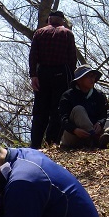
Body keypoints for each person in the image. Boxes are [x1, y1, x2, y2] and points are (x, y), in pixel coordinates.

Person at [28, 10, 77, 148]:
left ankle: (35, 144)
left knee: (40, 110)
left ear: (49, 20)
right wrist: (72, 77)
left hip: (42, 73)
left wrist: (33, 75)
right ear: (62, 21)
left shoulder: (39, 33)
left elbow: (33, 56)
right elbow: (72, 57)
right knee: (58, 109)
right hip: (62, 73)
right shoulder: (67, 33)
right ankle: (52, 142)